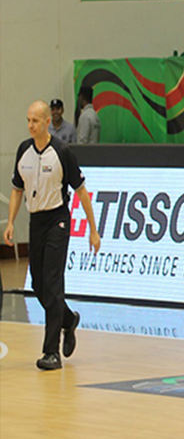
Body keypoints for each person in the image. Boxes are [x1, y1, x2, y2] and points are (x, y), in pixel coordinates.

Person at [6, 101, 100, 370]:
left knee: (53, 282)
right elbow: (16, 190)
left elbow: (81, 192)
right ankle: (68, 320)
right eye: (28, 120)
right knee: (38, 285)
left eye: (35, 120)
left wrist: (93, 230)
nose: (30, 125)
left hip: (57, 220)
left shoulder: (62, 152)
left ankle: (51, 353)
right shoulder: (23, 150)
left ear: (48, 122)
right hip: (36, 221)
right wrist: (11, 222)